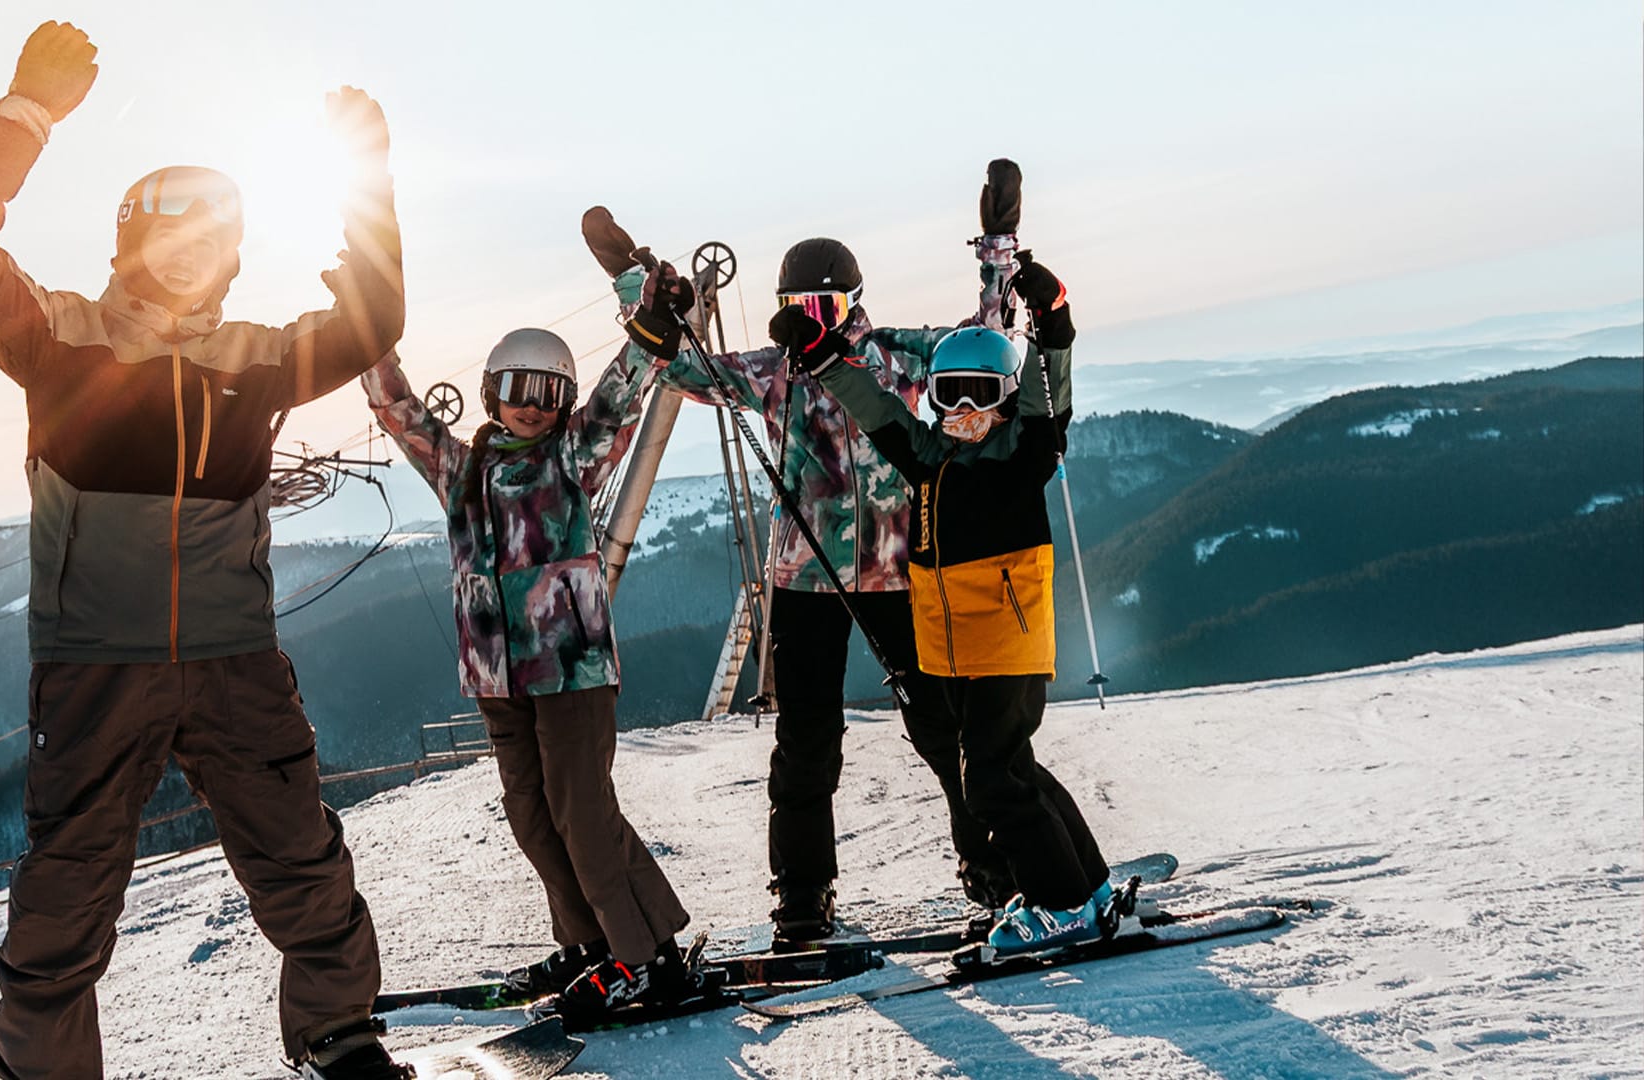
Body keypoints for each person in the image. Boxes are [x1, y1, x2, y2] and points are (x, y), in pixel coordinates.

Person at [0, 22, 411, 1080]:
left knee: (301, 856)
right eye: (170, 244)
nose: (192, 265)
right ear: (129, 248)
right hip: (96, 665)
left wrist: (364, 182)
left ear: (231, 258)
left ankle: (340, 1031)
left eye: (210, 246)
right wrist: (27, 112)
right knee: (71, 884)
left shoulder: (259, 359)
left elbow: (372, 321)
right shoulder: (61, 341)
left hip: (236, 661)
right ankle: (40, 1062)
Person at [586, 215, 1013, 941]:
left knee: (941, 723)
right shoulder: (772, 372)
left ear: (857, 305)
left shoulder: (895, 359)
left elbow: (985, 336)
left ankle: (993, 860)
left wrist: (998, 246)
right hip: (803, 579)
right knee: (808, 736)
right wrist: (640, 289)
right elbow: (684, 366)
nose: (818, 326)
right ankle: (803, 889)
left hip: (895, 572)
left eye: (831, 310)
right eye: (802, 312)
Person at [359, 267, 711, 1020]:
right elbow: (398, 411)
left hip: (572, 667)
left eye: (548, 392)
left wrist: (649, 331)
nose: (531, 405)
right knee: (531, 814)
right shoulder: (459, 471)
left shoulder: (571, 458)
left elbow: (619, 403)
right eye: (518, 388)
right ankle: (591, 943)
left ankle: (646, 956)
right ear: (492, 393)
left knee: (582, 811)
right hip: (497, 676)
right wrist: (365, 335)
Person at [766, 249, 1119, 955]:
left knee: (991, 783)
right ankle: (1089, 888)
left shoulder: (1025, 454)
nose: (962, 409)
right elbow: (871, 406)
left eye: (979, 393)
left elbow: (1052, 395)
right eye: (948, 391)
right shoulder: (928, 455)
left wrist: (1053, 322)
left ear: (1006, 398)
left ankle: (1061, 906)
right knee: (1010, 768)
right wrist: (826, 352)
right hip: (955, 651)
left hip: (1006, 646)